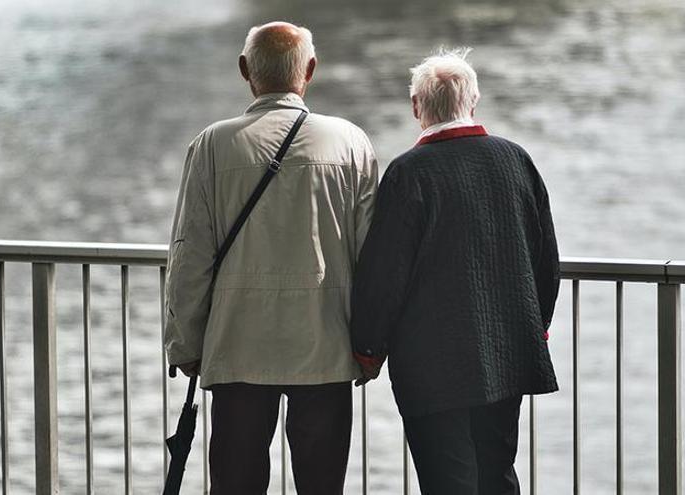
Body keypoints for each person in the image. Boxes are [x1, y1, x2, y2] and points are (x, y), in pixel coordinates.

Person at [163, 21, 378, 495]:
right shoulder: (350, 144)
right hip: (324, 348)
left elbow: (189, 256)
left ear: (245, 70)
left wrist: (185, 342)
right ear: (312, 70)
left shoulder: (212, 146)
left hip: (238, 347)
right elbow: (372, 260)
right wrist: (370, 346)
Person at [350, 49, 560, 495]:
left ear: (416, 107)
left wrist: (368, 347)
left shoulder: (408, 173)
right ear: (474, 100)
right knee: (498, 472)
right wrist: (535, 328)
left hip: (432, 364)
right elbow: (545, 257)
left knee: (447, 480)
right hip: (505, 353)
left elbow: (384, 272)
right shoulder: (515, 159)